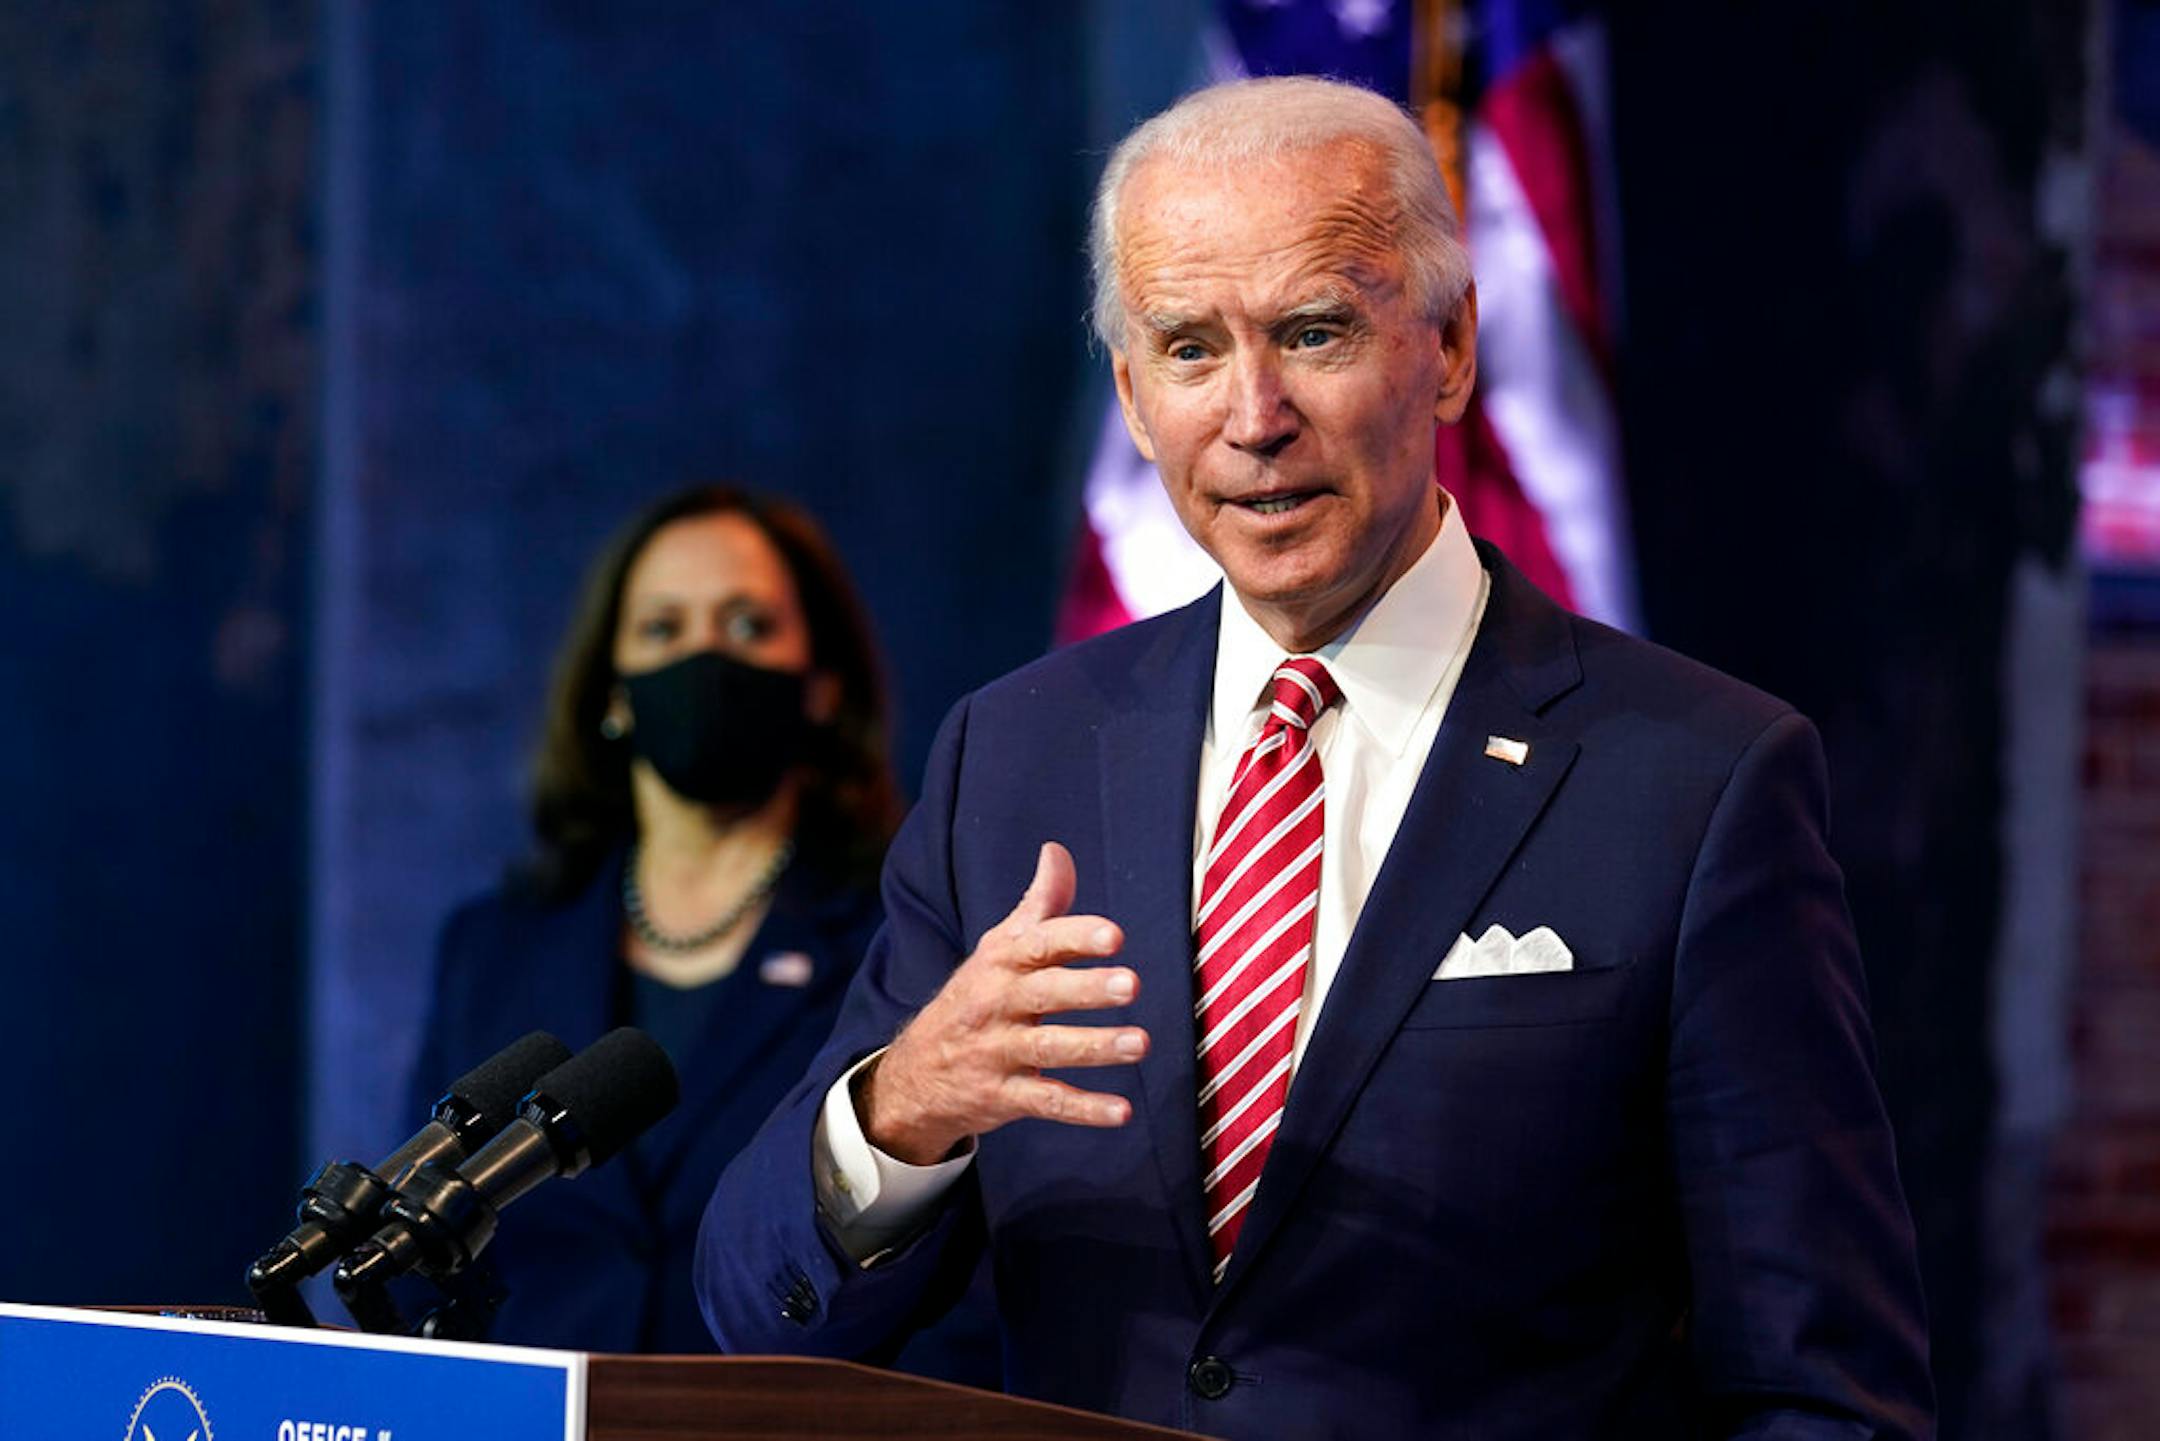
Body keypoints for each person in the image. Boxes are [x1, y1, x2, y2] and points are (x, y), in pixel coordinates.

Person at [696, 77, 1933, 1437]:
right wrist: (904, 1110)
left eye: (1315, 331)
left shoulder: (1700, 780)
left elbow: (1822, 1391)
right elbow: (758, 1311)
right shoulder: (1017, 754)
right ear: (1128, 389)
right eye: (1187, 351)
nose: (1254, 415)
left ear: (1451, 346)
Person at [408, 485, 993, 1376]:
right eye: (662, 630)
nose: (703, 658)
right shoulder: (493, 951)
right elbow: (426, 1258)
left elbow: (957, 1283)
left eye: (748, 626)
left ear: (823, 685)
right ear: (612, 692)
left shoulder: (909, 941)